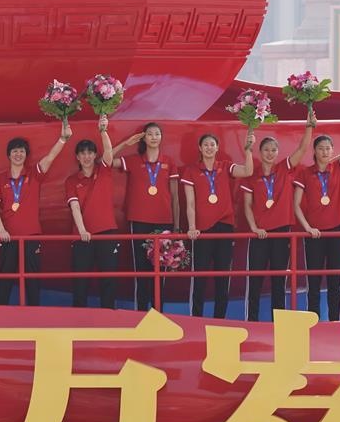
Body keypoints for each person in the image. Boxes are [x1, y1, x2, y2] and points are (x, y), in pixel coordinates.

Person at [293, 111, 340, 321]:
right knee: (314, 284)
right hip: (315, 235)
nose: (325, 151)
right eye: (321, 148)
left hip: (337, 232)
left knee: (335, 282)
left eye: (328, 148)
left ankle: (334, 322)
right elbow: (296, 205)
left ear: (332, 151)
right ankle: (313, 323)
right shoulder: (304, 173)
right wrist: (308, 228)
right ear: (315, 152)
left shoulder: (338, 167)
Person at [241, 108, 316, 321]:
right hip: (260, 235)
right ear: (260, 152)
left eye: (274, 149)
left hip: (282, 233)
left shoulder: (284, 169)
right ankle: (252, 322)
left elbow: (302, 148)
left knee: (279, 281)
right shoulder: (251, 175)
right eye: (266, 149)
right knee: (254, 281)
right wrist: (254, 228)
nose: (270, 153)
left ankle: (279, 323)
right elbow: (247, 205)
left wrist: (309, 126)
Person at [0, 121, 72, 306]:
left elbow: (51, 157)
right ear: (8, 154)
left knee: (32, 279)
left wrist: (63, 139)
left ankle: (34, 314)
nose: (18, 154)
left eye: (22, 151)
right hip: (8, 238)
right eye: (15, 151)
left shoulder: (34, 174)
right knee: (5, 279)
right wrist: (1, 230)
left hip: (31, 236)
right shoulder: (0, 179)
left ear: (26, 155)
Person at [184, 131, 255, 318]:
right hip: (202, 230)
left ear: (217, 148)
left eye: (212, 144)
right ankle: (196, 318)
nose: (209, 147)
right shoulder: (191, 171)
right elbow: (190, 203)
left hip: (224, 227)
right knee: (199, 278)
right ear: (200, 148)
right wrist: (192, 227)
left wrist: (248, 150)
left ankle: (220, 319)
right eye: (205, 144)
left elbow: (248, 171)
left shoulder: (225, 166)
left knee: (223, 277)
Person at [111, 123, 180, 311]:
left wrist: (177, 226)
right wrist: (126, 143)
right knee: (141, 270)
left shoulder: (169, 162)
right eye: (149, 134)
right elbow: (106, 161)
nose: (154, 137)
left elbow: (175, 196)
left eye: (157, 134)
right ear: (144, 138)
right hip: (139, 221)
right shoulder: (133, 160)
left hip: (164, 222)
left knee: (161, 270)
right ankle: (140, 313)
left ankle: (158, 313)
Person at [66, 114, 119, 308]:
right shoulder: (72, 181)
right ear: (77, 157)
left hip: (107, 232)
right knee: (80, 282)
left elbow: (108, 152)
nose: (87, 156)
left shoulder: (103, 170)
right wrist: (82, 231)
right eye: (83, 153)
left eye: (90, 153)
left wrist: (103, 130)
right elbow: (75, 207)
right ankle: (79, 319)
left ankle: (109, 317)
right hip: (82, 237)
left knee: (109, 280)